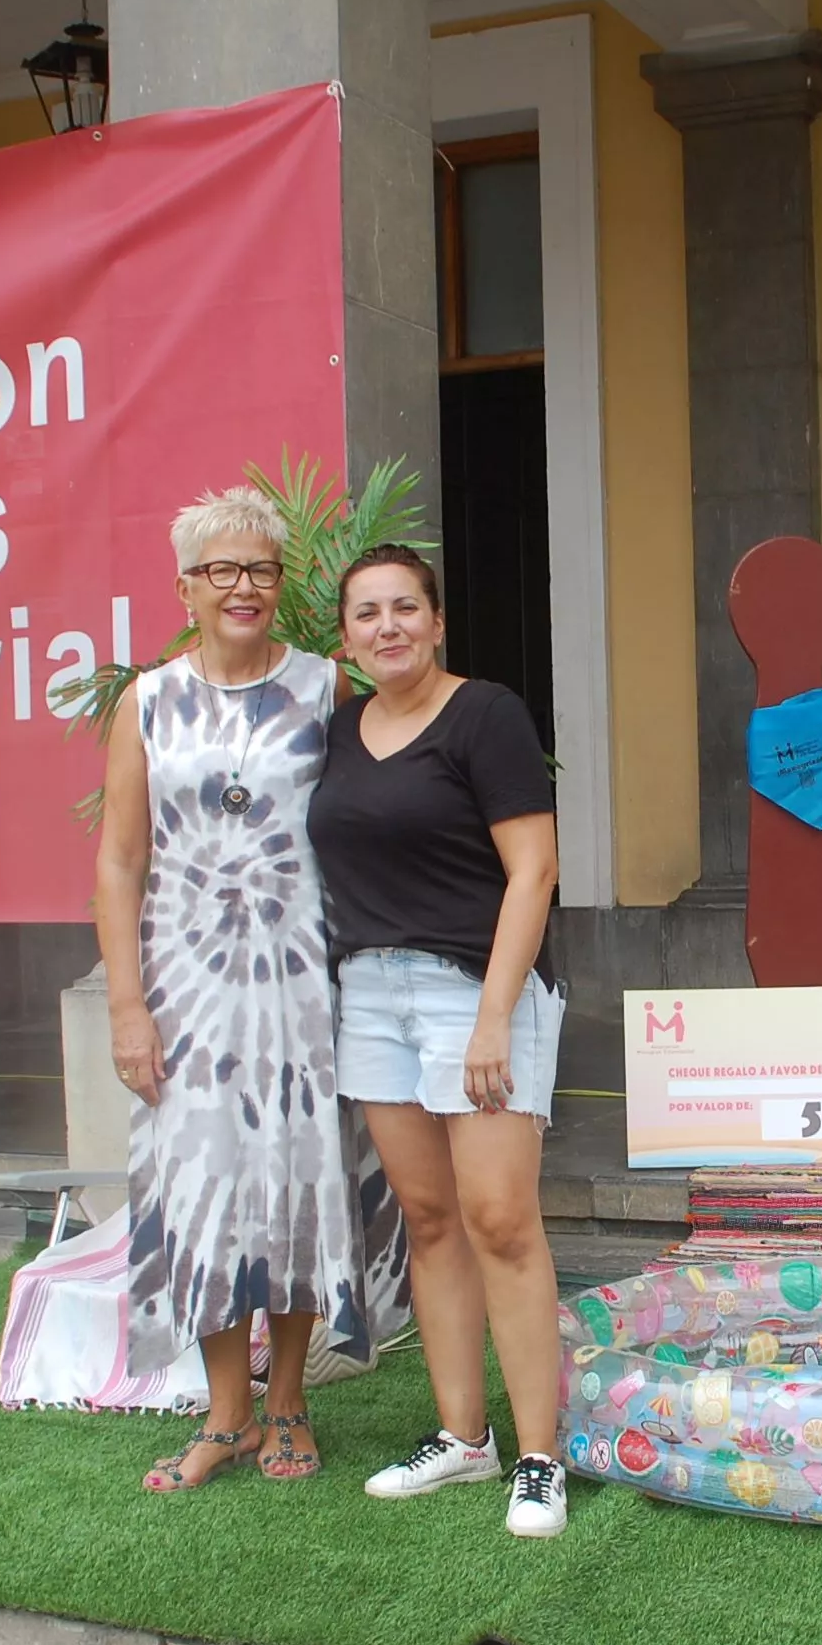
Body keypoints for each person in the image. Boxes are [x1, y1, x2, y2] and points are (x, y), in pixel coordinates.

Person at [93, 486, 387, 1491]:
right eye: (220, 569)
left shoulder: (325, 688)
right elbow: (118, 860)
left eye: (260, 568)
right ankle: (225, 1412)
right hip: (187, 986)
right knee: (206, 1182)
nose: (243, 587)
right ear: (184, 586)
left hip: (302, 978)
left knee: (297, 1179)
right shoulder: (146, 701)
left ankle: (290, 1401)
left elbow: (361, 824)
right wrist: (126, 1006)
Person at [307, 547, 571, 1539]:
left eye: (404, 607)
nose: (387, 626)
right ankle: (464, 1437)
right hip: (369, 991)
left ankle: (539, 1453)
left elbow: (531, 868)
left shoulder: (484, 714)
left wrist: (495, 1012)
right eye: (367, 612)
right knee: (426, 1218)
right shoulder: (338, 728)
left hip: (473, 987)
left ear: (437, 620)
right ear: (345, 637)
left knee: (499, 1218)